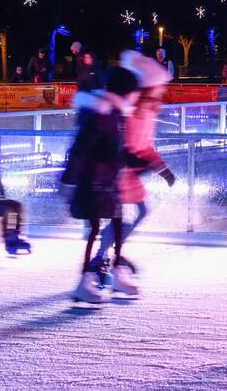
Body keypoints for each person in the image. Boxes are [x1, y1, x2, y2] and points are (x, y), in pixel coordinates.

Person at [61, 66, 147, 303]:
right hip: (93, 182)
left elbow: (115, 149)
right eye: (134, 92)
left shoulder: (115, 114)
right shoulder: (101, 114)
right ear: (125, 92)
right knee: (95, 229)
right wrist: (69, 180)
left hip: (109, 181)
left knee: (117, 223)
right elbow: (82, 148)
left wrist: (135, 160)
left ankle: (117, 270)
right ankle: (84, 281)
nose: (136, 97)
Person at [92, 51, 176, 291]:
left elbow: (145, 146)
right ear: (149, 89)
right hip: (119, 172)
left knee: (137, 213)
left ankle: (108, 254)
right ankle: (104, 257)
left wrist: (163, 169)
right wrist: (139, 162)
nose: (161, 96)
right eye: (158, 91)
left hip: (130, 173)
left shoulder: (147, 113)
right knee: (125, 216)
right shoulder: (131, 111)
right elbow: (124, 145)